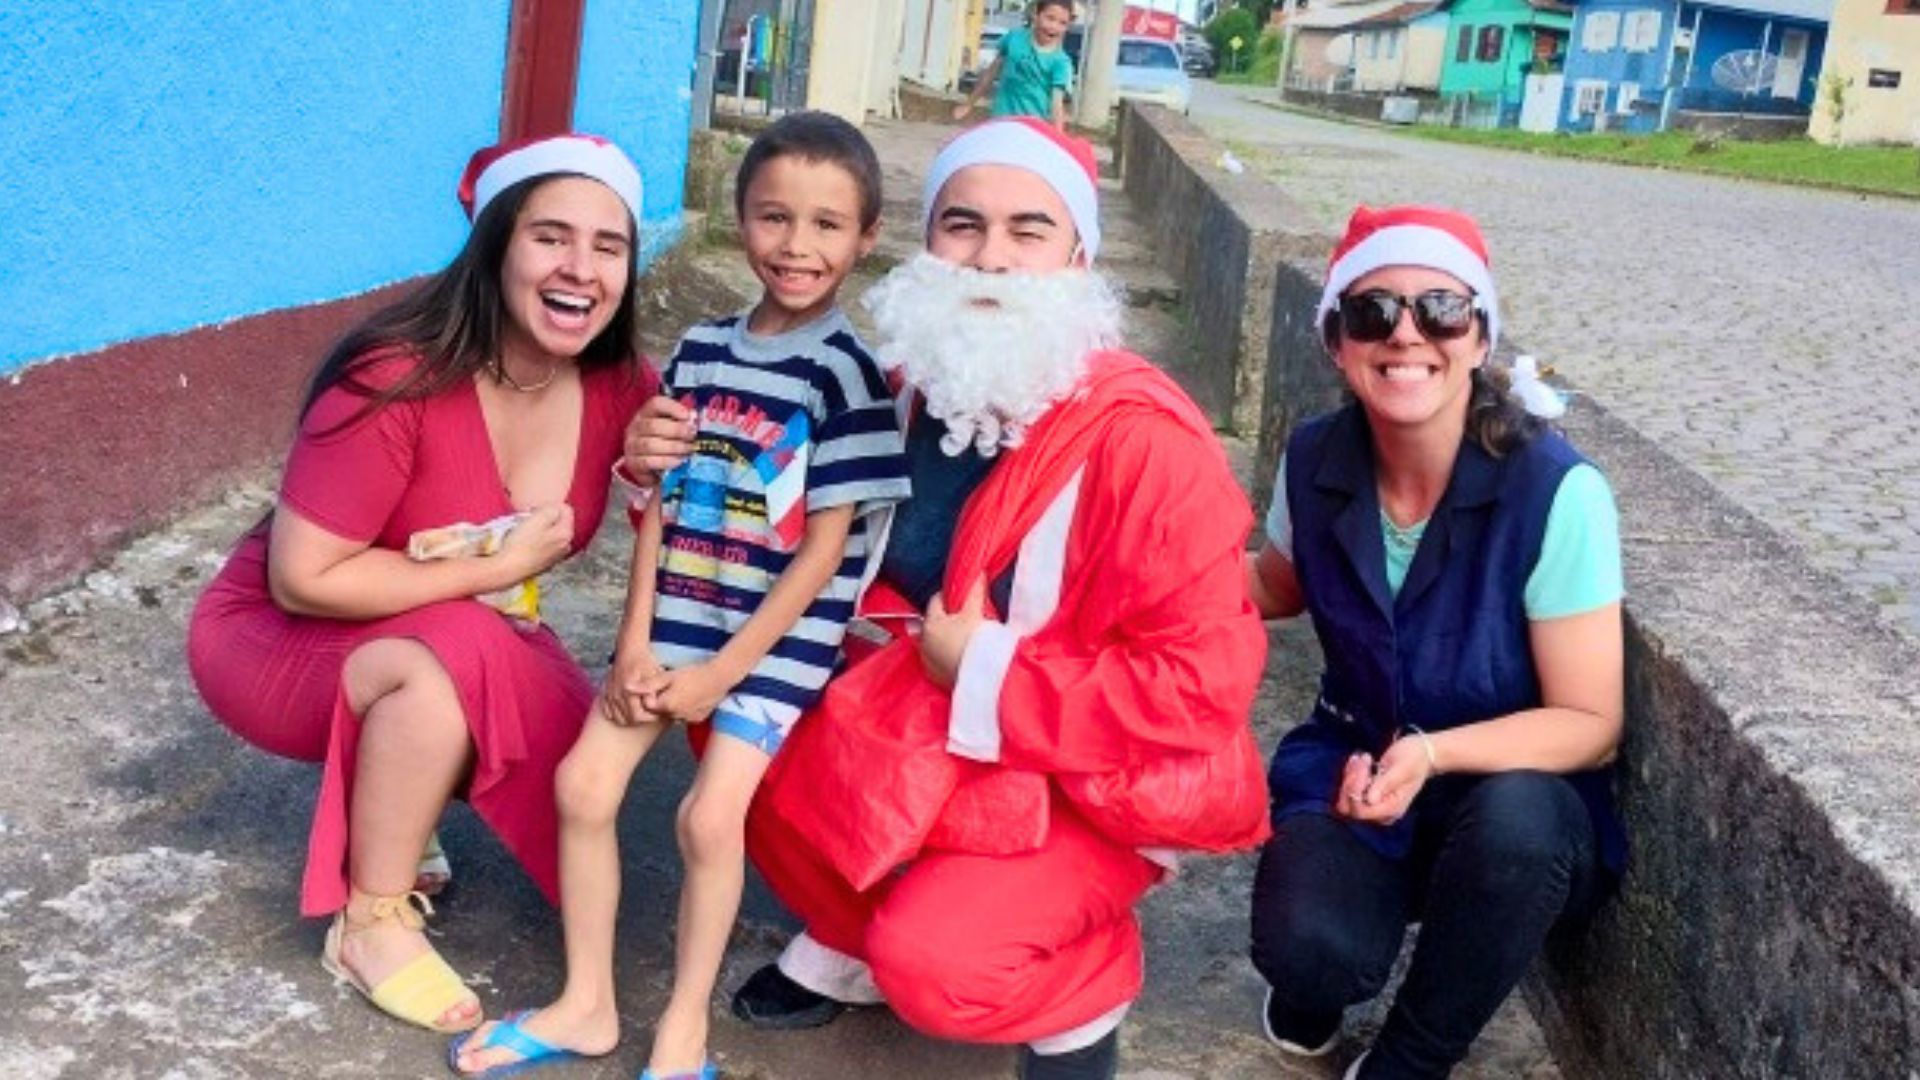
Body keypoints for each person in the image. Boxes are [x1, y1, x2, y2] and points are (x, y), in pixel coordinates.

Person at [628, 116, 1271, 1080]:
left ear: (1079, 255)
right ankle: (850, 942)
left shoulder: (1151, 447)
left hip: (1073, 780)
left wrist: (984, 669)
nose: (992, 261)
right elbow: (744, 531)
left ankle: (1081, 995)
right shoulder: (899, 390)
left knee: (940, 966)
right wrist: (657, 466)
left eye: (1028, 231)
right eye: (962, 226)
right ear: (924, 244)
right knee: (731, 723)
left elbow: (1198, 692)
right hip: (912, 732)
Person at [449, 112, 911, 1080]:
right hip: (674, 622)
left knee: (707, 819)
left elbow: (827, 554)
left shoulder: (848, 376)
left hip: (769, 648)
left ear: (867, 237)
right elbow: (656, 504)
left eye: (828, 225)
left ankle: (685, 1031)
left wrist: (722, 675)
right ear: (738, 219)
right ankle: (586, 1006)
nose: (798, 245)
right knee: (581, 785)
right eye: (775, 216)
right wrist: (632, 644)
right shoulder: (700, 349)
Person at [186, 134, 656, 1035]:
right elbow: (302, 578)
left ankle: (399, 796)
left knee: (570, 741)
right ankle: (368, 919)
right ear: (496, 246)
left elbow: (688, 494)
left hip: (445, 620)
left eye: (609, 246)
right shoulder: (396, 373)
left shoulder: (619, 384)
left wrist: (659, 463)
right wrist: (502, 567)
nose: (582, 268)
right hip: (278, 638)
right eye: (550, 237)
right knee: (452, 666)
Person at [1244, 205, 1626, 1079]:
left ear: (1481, 336)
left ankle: (1413, 1055)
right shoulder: (1314, 458)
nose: (1408, 334)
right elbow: (1277, 582)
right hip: (1353, 757)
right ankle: (1316, 981)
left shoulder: (1556, 492)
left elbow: (1590, 718)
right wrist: (1133, 575)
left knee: (1520, 827)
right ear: (1338, 343)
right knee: (1309, 954)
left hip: (1505, 795)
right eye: (1373, 313)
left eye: (1442, 310)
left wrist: (1430, 752)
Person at [954, 0, 1076, 130]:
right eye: (1050, 18)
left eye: (1062, 23)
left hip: (1031, 129)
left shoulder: (1061, 62)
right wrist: (969, 103)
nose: (1054, 26)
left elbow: (1057, 104)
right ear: (1036, 14)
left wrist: (1058, 139)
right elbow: (990, 73)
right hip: (1000, 121)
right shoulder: (1014, 38)